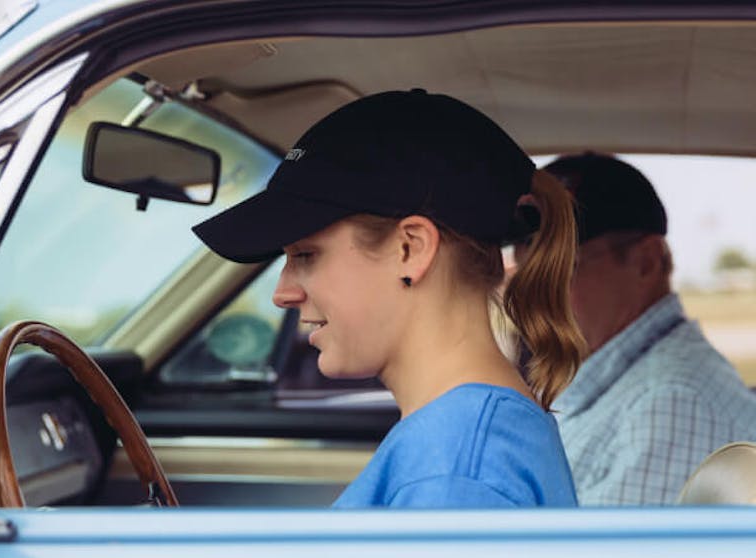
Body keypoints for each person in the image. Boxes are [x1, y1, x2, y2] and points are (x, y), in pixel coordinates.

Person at [192, 89, 585, 508]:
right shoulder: (462, 438)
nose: (283, 293)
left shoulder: (457, 470)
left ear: (410, 249)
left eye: (306, 255)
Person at [539, 152, 756, 505]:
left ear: (646, 262)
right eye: (530, 271)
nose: (537, 294)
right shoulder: (624, 384)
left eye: (562, 268)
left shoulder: (671, 404)